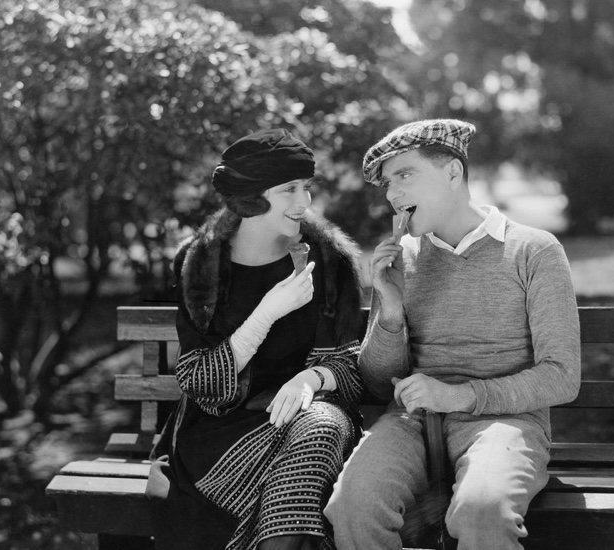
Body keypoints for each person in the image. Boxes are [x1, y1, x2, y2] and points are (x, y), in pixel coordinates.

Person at [324, 119, 581, 550]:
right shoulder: (401, 259)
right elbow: (375, 380)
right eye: (388, 183)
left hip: (506, 423)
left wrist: (458, 396)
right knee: (352, 505)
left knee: (484, 511)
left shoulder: (533, 250)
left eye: (405, 175)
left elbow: (561, 376)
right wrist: (389, 311)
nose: (393, 194)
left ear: (453, 172)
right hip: (413, 423)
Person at [146, 128, 365, 550]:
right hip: (218, 430)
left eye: (307, 187)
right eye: (289, 189)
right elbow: (198, 382)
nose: (305, 202)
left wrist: (312, 379)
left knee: (320, 428)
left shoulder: (329, 260)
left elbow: (353, 370)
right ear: (250, 196)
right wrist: (264, 315)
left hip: (308, 419)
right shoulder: (201, 264)